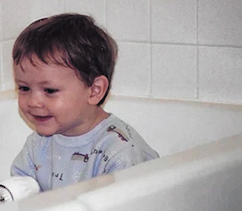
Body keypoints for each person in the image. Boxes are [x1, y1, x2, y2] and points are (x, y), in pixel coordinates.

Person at [10, 13, 159, 192]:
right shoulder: (37, 145)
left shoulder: (119, 152)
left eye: (50, 91)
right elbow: (18, 197)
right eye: (24, 88)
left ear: (94, 90)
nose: (33, 102)